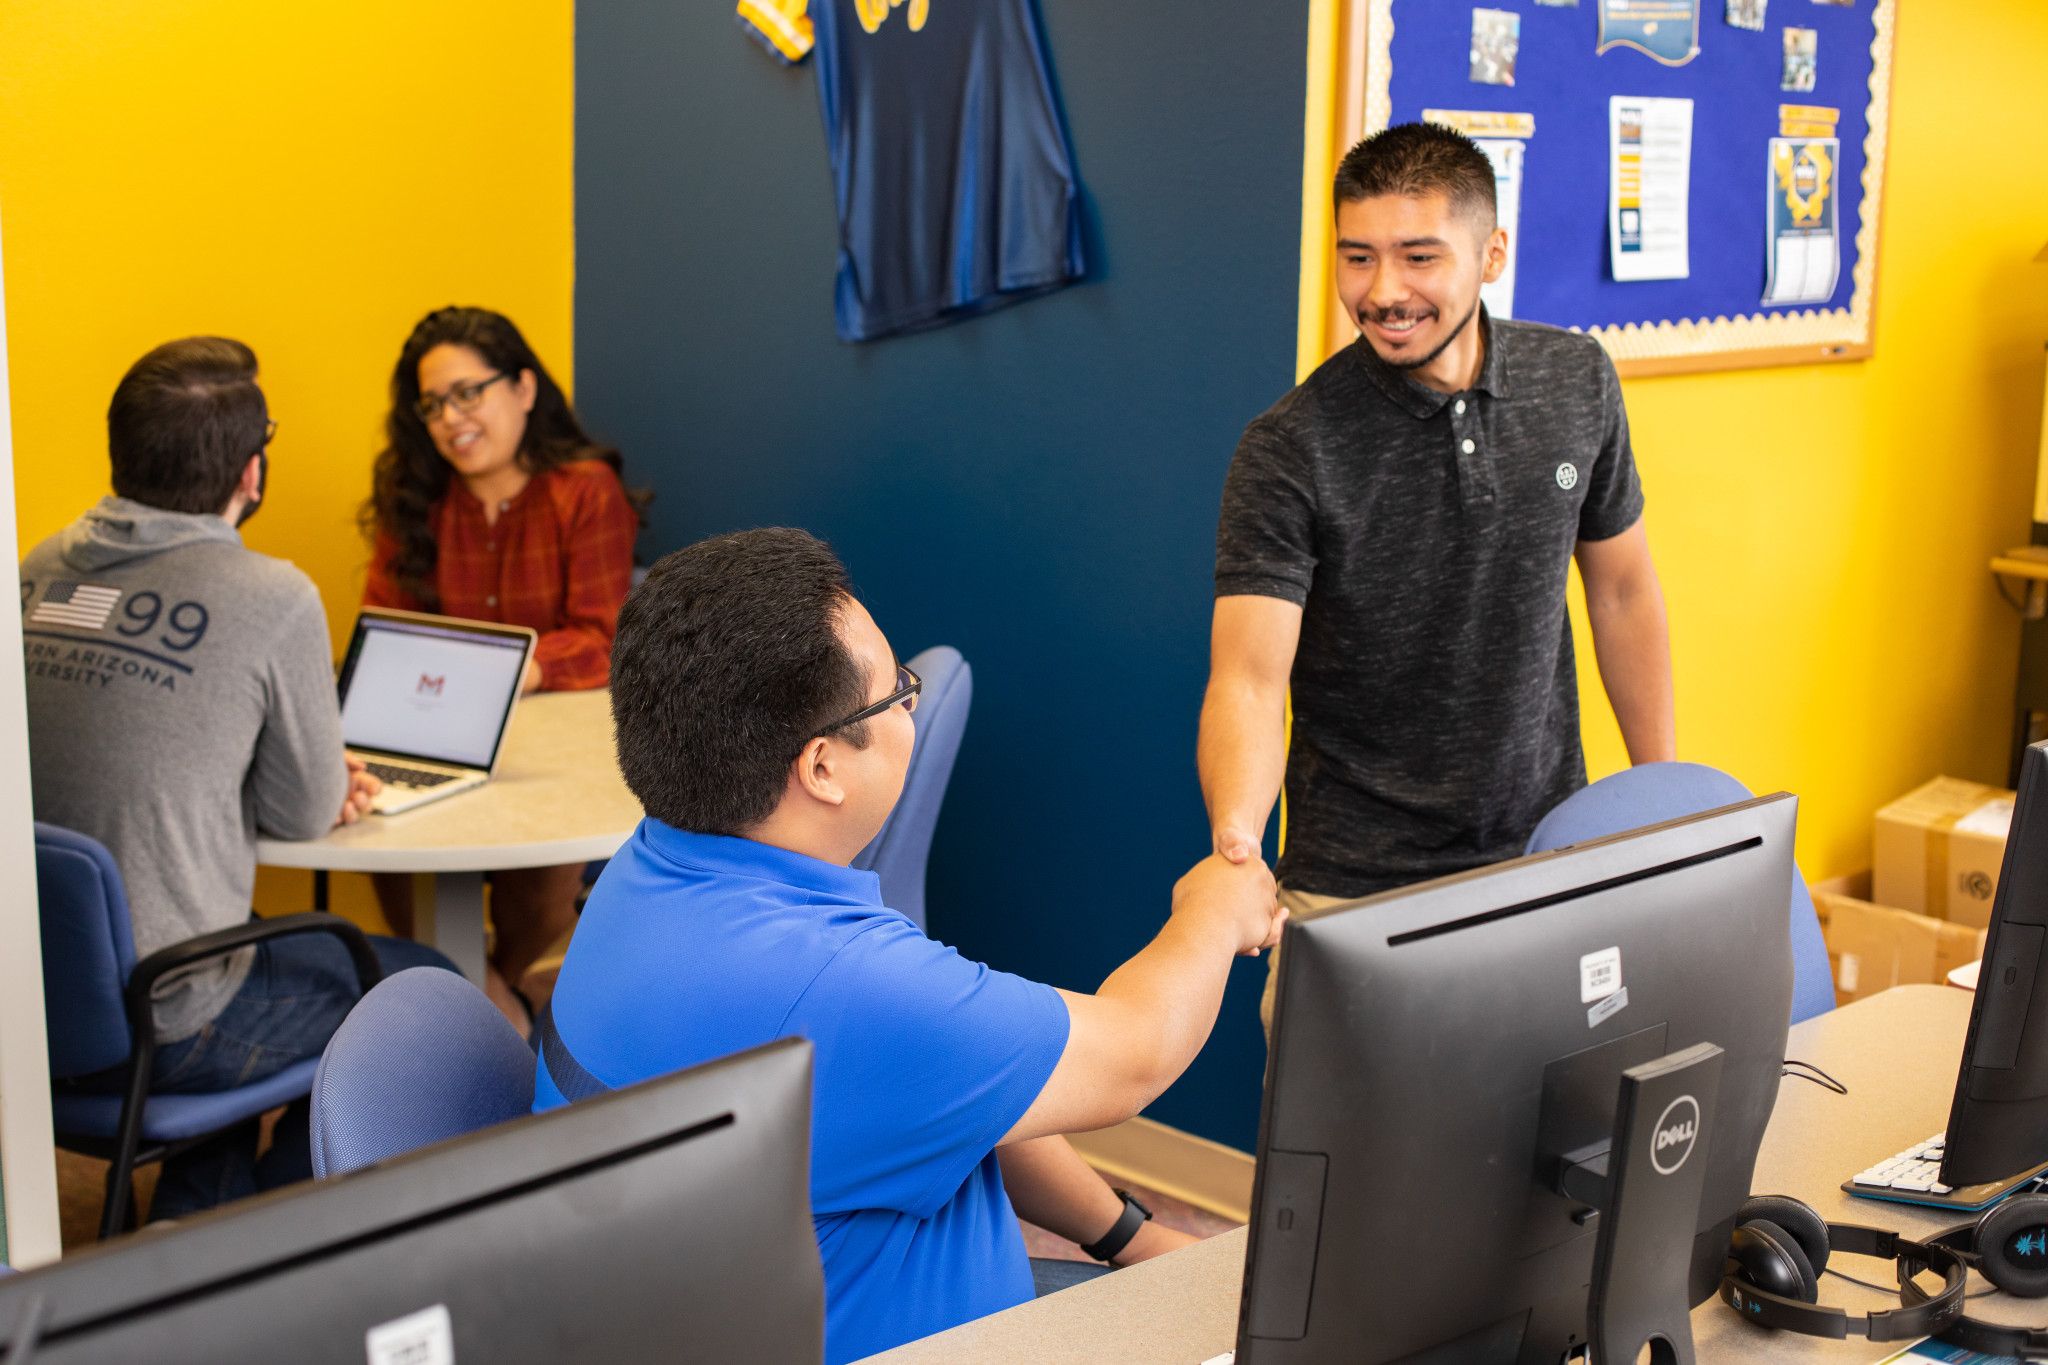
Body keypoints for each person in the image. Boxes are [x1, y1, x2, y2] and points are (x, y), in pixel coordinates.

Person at [535, 528, 1285, 1363]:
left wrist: (1129, 1238)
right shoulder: (837, 982)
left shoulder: (652, 864)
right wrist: (1214, 908)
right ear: (821, 766)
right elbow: (1134, 1054)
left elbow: (968, 1091)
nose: (911, 707)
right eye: (896, 692)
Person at [1199, 122, 1675, 1031]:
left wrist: (1664, 794)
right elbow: (1249, 680)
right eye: (1358, 259)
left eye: (1419, 257)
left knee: (1549, 1153)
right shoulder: (1291, 447)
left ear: (1492, 252)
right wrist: (1237, 840)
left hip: (1548, 855)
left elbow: (1621, 592)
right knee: (1351, 1169)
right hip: (1357, 888)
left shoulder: (1577, 381)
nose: (1384, 292)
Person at [19, 337, 456, 1221]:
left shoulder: (33, 569)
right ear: (253, 472)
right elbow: (301, 810)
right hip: (165, 1022)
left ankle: (199, 1212)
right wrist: (326, 773)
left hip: (31, 1002)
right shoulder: (271, 596)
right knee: (424, 985)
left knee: (238, 937)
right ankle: (266, 1226)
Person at [361, 306, 641, 997]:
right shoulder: (410, 500)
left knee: (540, 892)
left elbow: (603, 637)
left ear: (522, 388)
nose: (450, 417)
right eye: (431, 404)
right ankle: (484, 1014)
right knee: (387, 849)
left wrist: (506, 670)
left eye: (467, 392)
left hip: (548, 761)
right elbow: (385, 636)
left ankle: (488, 1007)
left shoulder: (584, 492)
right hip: (433, 745)